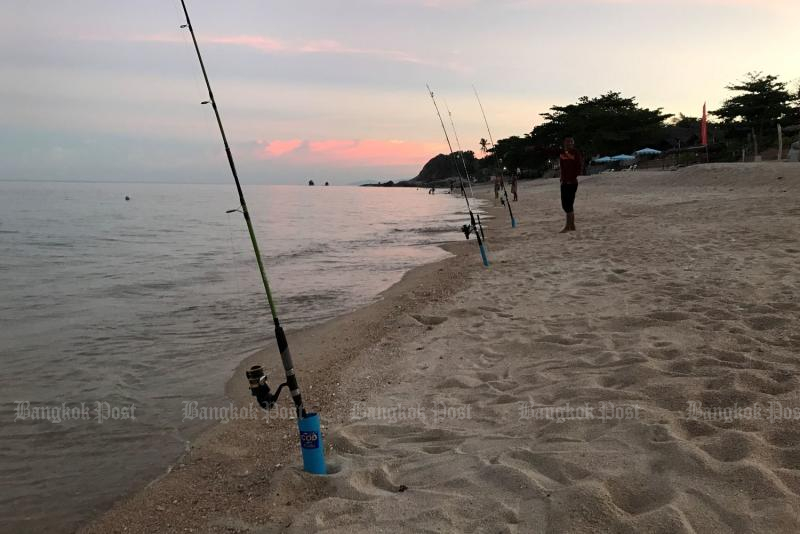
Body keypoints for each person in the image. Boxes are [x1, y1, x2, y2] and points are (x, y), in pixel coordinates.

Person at [559, 137, 582, 233]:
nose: (568, 145)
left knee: (568, 205)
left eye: (570, 143)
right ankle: (571, 225)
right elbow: (562, 167)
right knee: (565, 205)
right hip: (564, 182)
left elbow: (579, 167)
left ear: (573, 144)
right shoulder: (562, 153)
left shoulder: (575, 153)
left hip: (572, 183)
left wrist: (571, 178)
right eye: (567, 143)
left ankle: (569, 226)